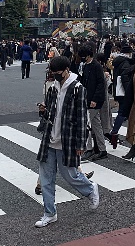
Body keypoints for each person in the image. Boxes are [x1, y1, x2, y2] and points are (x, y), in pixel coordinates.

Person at [34, 55, 99, 228]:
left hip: (67, 140)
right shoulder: (53, 89)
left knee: (71, 176)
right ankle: (49, 213)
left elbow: (82, 118)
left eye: (57, 73)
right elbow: (50, 115)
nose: (54, 76)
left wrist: (81, 144)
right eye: (52, 72)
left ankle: (91, 189)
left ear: (66, 71)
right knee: (46, 178)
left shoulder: (78, 89)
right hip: (49, 138)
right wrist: (44, 110)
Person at [78, 44, 108, 161]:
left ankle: (89, 149)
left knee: (86, 124)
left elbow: (101, 84)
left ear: (89, 55)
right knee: (96, 124)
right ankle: (101, 149)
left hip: (94, 100)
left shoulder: (96, 66)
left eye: (84, 56)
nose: (82, 58)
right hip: (88, 99)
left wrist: (95, 99)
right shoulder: (86, 65)